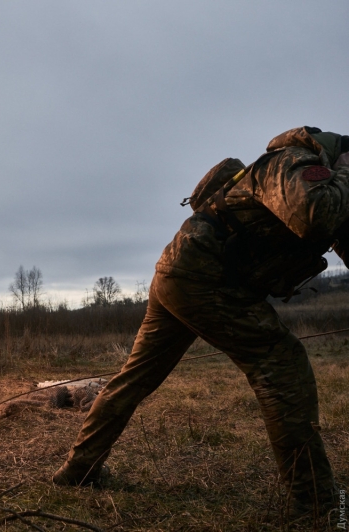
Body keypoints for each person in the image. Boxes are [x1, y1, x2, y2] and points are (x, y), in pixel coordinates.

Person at [53, 126, 349, 517]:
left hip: (178, 273)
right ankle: (314, 504)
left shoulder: (319, 181)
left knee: (133, 378)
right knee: (282, 363)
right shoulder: (291, 160)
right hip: (203, 279)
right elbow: (315, 215)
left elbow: (334, 226)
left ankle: (77, 470)